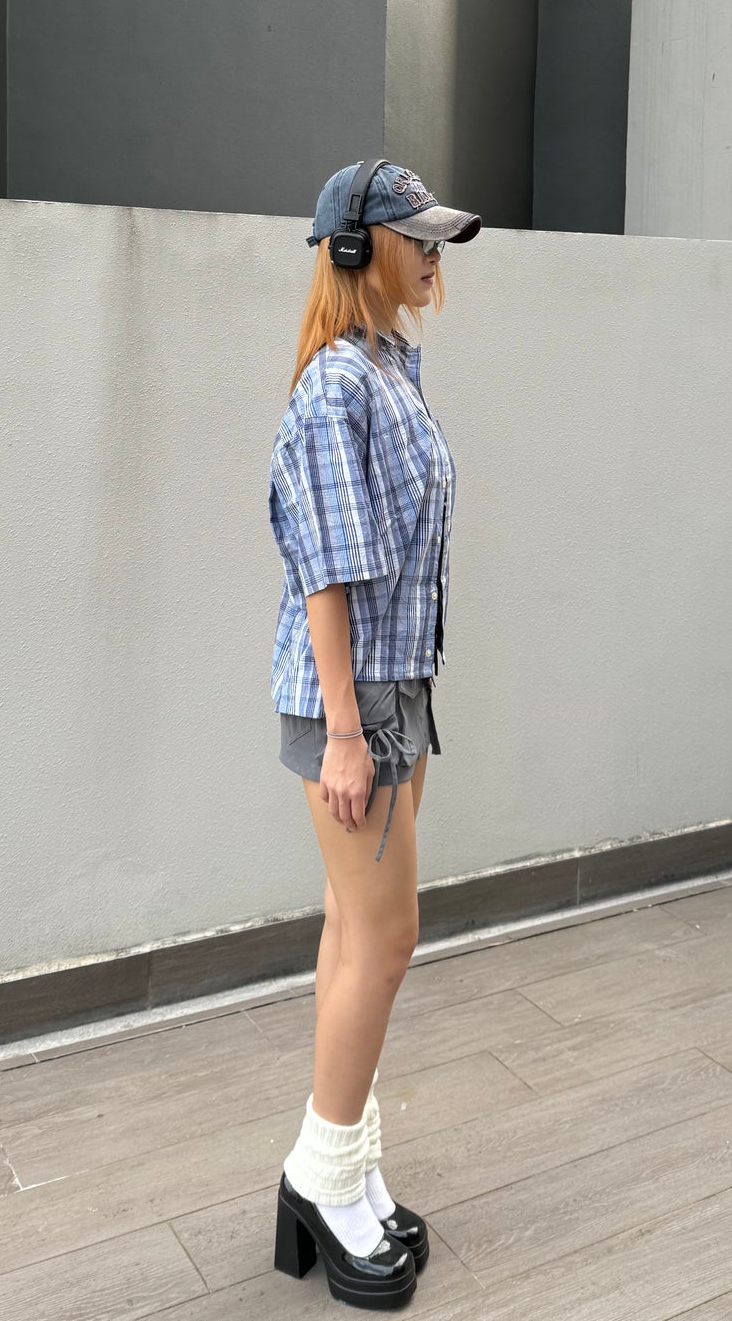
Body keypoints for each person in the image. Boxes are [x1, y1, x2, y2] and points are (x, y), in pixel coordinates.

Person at [268, 158, 481, 1310]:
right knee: (385, 940)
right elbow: (327, 575)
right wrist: (346, 733)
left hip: (396, 690)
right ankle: (327, 1176)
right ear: (356, 249)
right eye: (419, 238)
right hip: (353, 701)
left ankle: (334, 1163)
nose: (433, 256)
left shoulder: (393, 368)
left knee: (357, 936)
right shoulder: (333, 386)